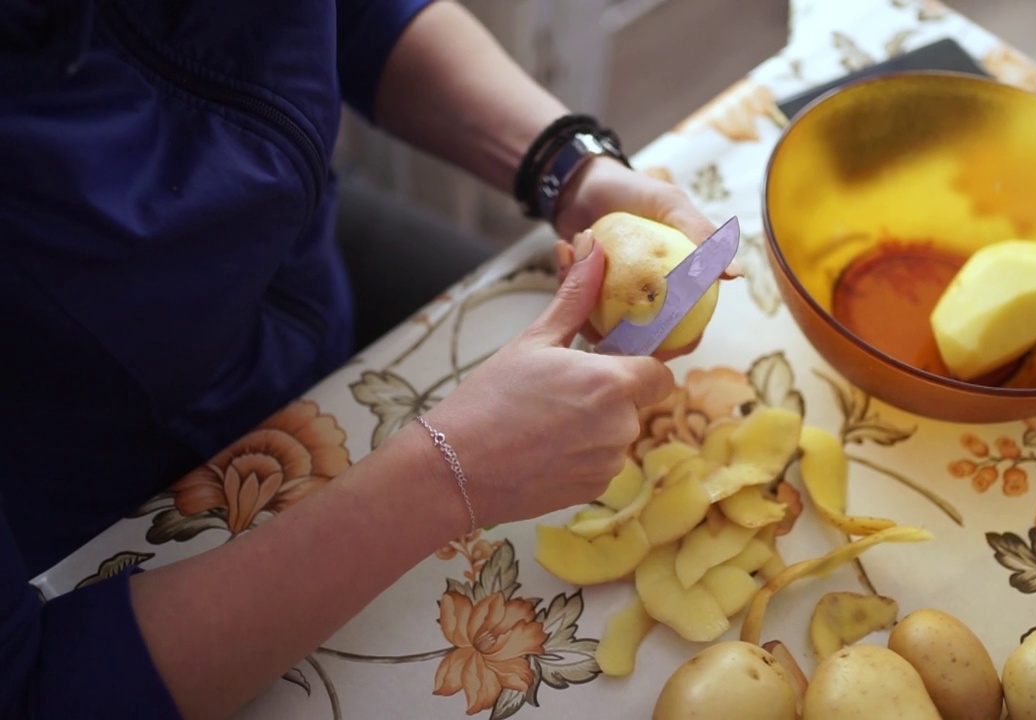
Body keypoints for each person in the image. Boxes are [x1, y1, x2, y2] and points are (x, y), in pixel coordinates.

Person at [0, 1, 725, 717]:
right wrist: (452, 474)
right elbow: (32, 689)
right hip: (111, 518)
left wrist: (568, 168)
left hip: (297, 263)